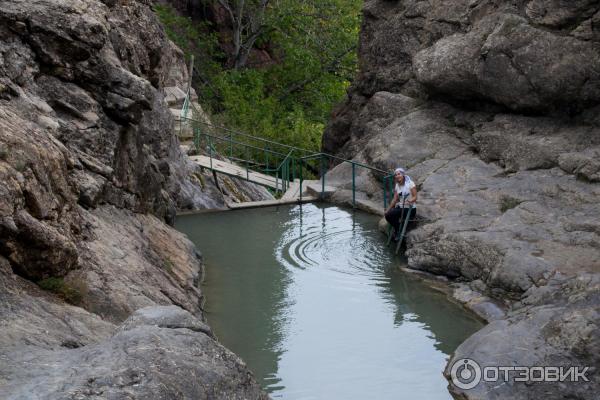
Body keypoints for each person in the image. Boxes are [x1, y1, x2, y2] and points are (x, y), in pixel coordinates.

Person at [385, 167, 418, 239]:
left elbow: (415, 196)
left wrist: (411, 200)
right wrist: (388, 209)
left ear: (403, 175)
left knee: (391, 215)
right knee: (387, 215)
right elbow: (395, 199)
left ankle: (398, 231)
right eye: (396, 175)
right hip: (401, 207)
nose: (397, 176)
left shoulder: (410, 184)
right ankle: (398, 228)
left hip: (410, 209)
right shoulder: (397, 185)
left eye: (399, 174)